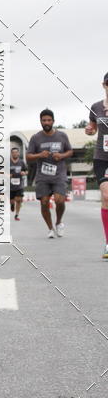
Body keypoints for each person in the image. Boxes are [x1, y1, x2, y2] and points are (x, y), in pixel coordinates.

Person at [26, 109, 73, 239]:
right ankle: (50, 228)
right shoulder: (35, 138)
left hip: (59, 174)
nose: (46, 122)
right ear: (40, 121)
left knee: (59, 200)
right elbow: (28, 157)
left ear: (53, 121)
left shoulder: (62, 136)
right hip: (43, 176)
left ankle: (58, 222)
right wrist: (39, 155)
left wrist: (61, 155)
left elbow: (70, 151)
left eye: (49, 120)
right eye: (44, 120)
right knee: (44, 202)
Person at [85, 72, 108, 259]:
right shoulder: (96, 107)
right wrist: (89, 130)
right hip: (102, 157)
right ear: (104, 85)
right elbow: (92, 128)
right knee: (106, 195)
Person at [9, 146, 27, 220]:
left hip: (19, 184)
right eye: (13, 152)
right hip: (10, 185)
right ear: (11, 154)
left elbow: (26, 171)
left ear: (18, 153)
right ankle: (12, 204)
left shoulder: (21, 162)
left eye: (16, 152)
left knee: (19, 200)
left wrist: (24, 173)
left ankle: (17, 214)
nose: (15, 154)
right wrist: (7, 175)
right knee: (12, 200)